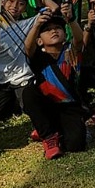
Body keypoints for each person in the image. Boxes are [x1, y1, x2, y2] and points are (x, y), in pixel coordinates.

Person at [22, 11, 89, 158]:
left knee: (75, 145)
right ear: (39, 41)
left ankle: (49, 130)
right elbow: (28, 47)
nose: (53, 31)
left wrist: (71, 19)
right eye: (47, 30)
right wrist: (37, 25)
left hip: (70, 108)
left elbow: (79, 40)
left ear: (64, 34)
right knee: (29, 91)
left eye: (58, 28)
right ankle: (48, 137)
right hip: (48, 105)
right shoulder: (38, 57)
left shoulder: (71, 52)